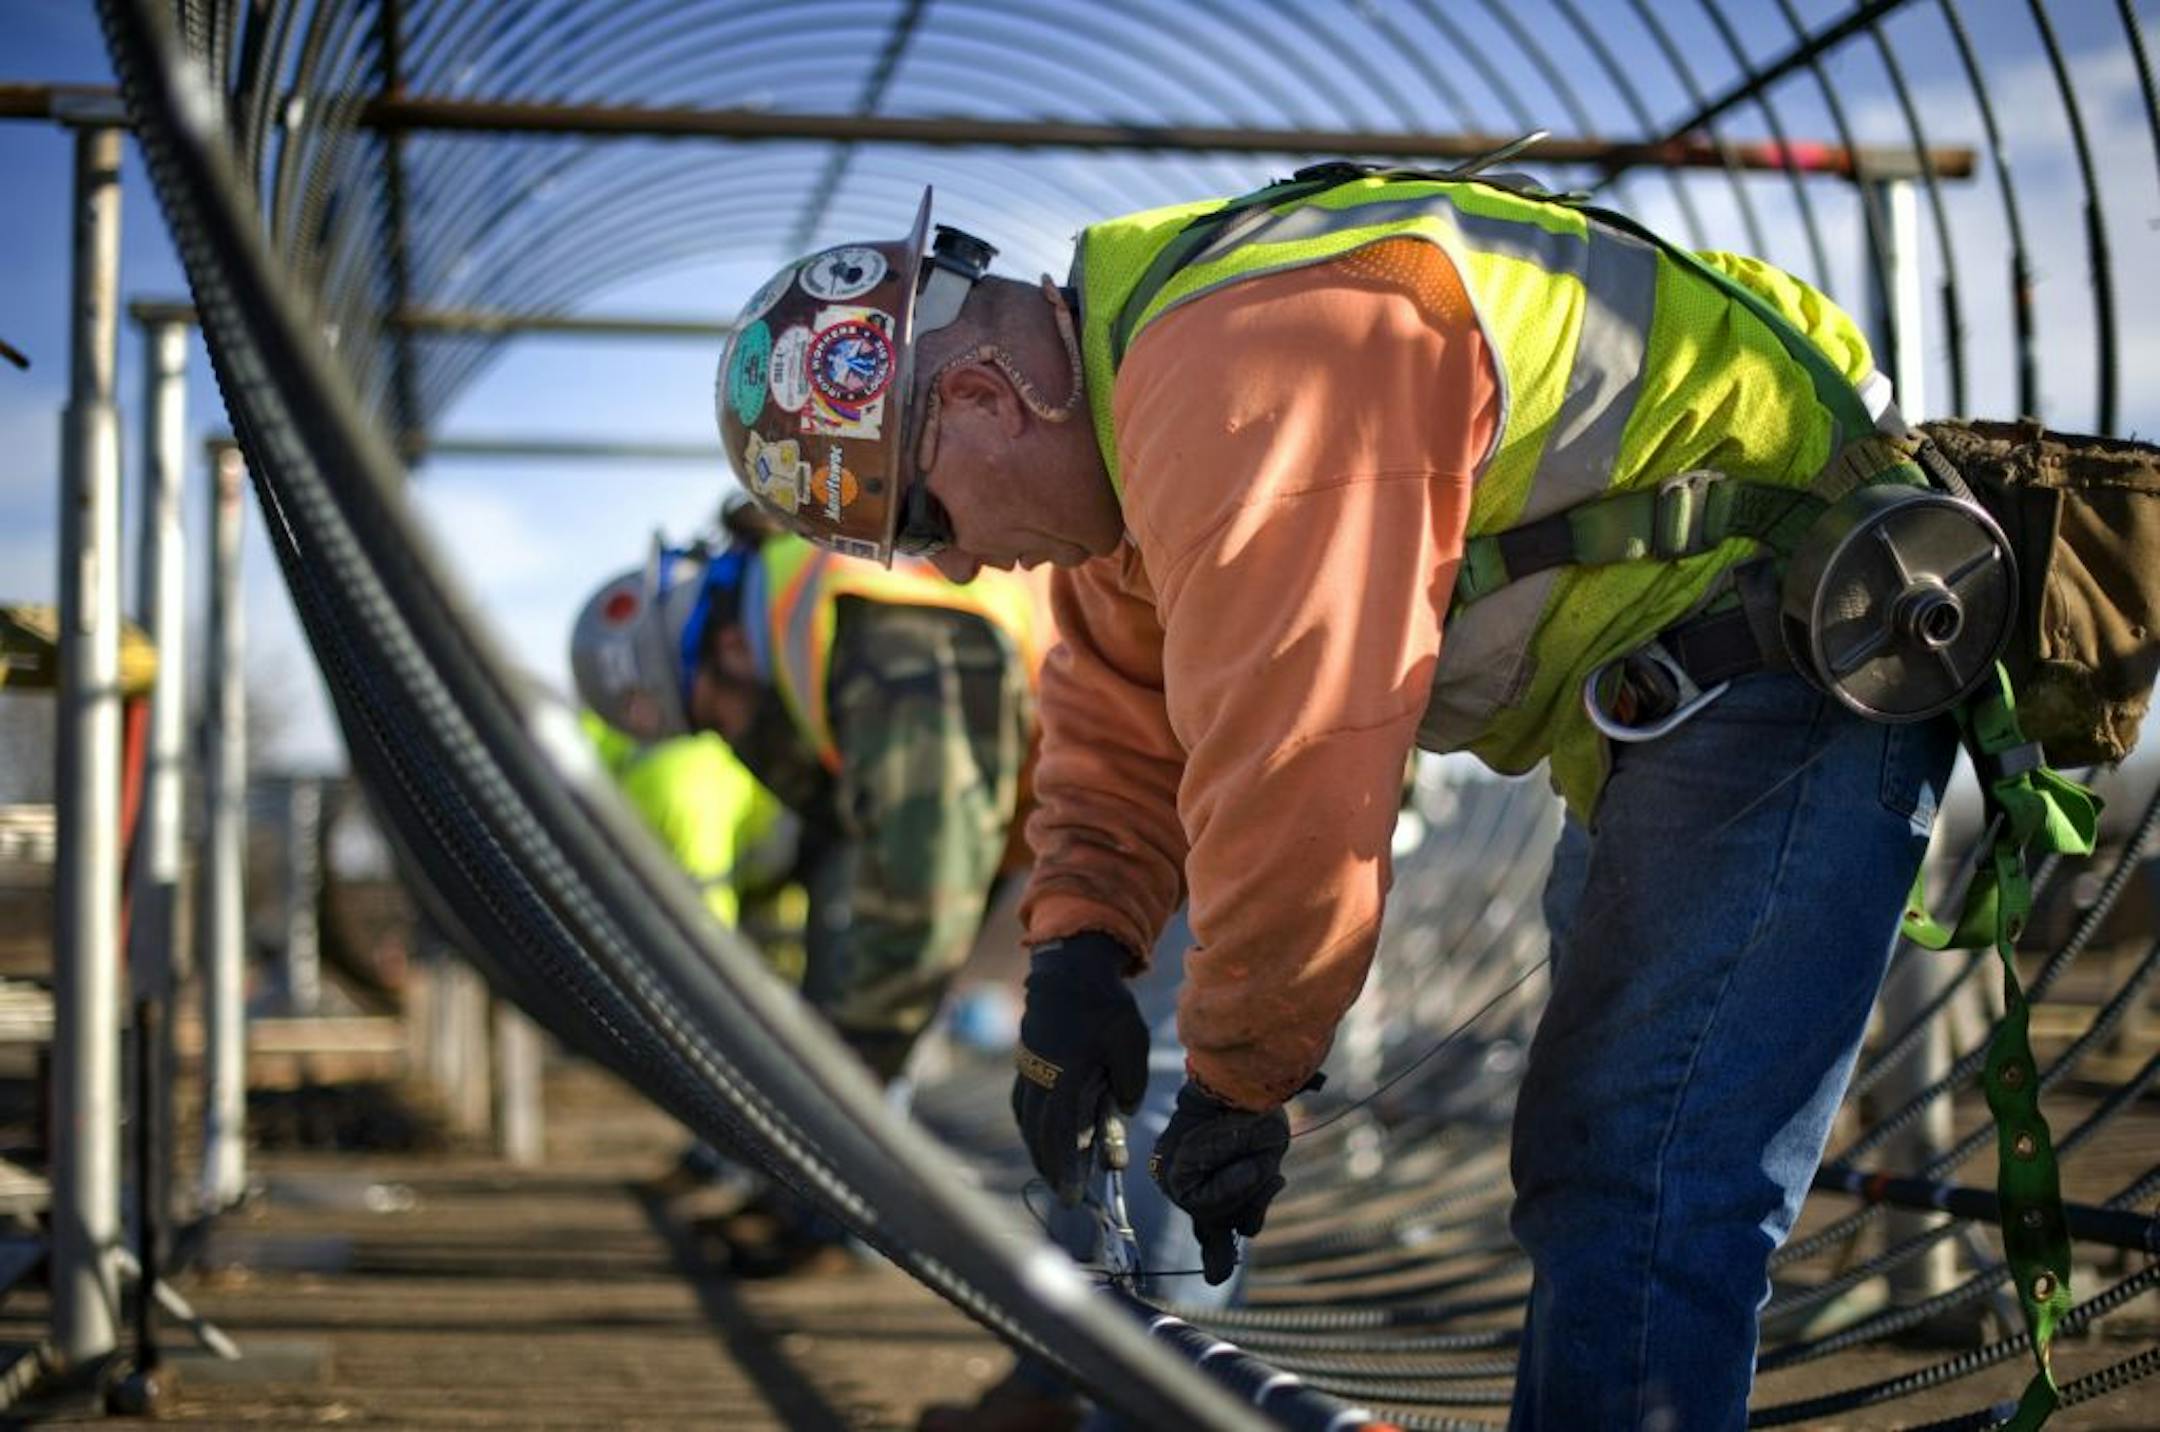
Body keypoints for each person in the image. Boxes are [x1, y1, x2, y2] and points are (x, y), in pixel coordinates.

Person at [712, 176, 1980, 1426]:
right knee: (1596, 1162)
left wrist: (1237, 1077)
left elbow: (1298, 761)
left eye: (924, 515)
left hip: (1803, 637)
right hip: (1683, 695)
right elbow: (1115, 710)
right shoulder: (1137, 418)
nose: (960, 562)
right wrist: (1080, 949)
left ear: (987, 394)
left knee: (1641, 1168)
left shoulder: (1245, 370)